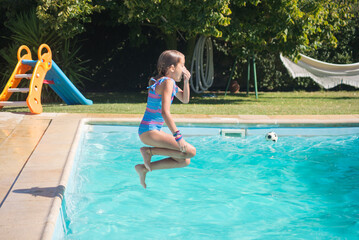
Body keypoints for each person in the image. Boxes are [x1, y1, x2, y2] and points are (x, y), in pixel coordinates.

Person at [136, 50, 196, 188]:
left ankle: (143, 168)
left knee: (184, 160)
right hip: (150, 131)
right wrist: (178, 136)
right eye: (183, 66)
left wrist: (186, 81)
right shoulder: (167, 82)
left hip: (148, 131)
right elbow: (165, 112)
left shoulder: (163, 81)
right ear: (172, 68)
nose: (184, 70)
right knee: (191, 151)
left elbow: (185, 99)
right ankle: (149, 151)